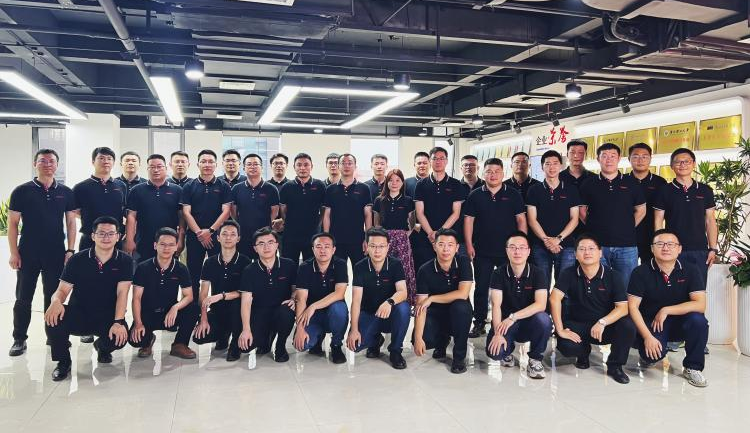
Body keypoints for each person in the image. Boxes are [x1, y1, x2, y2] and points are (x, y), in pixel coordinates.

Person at [44, 216, 133, 381]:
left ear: (118, 237)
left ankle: (102, 348)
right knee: (52, 318)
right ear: (93, 236)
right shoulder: (77, 259)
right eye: (101, 233)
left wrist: (118, 322)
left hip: (107, 316)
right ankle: (63, 362)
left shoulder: (125, 261)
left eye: (111, 233)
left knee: (120, 337)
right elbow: (62, 290)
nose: (106, 237)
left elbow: (123, 293)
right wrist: (55, 301)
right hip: (80, 314)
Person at [8, 148, 76, 357]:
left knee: (53, 296)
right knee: (23, 297)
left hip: (55, 252)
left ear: (57, 165)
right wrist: (14, 253)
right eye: (42, 161)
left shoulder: (65, 192)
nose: (47, 164)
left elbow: (71, 222)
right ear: (35, 164)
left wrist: (70, 250)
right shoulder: (22, 191)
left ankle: (53, 335)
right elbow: (12, 224)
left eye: (51, 161)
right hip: (28, 251)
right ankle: (19, 338)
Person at [550, 234, 636, 384]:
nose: (587, 252)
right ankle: (583, 353)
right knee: (567, 347)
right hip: (578, 323)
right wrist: (560, 329)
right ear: (576, 255)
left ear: (600, 253)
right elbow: (554, 299)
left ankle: (615, 366)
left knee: (627, 325)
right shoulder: (568, 273)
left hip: (605, 326)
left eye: (591, 248)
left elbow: (623, 308)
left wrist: (603, 322)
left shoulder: (613, 276)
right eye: (582, 249)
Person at [628, 229, 709, 387]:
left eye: (671, 244)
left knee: (699, 321)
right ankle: (648, 354)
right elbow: (632, 307)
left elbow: (700, 304)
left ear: (679, 249)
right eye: (660, 244)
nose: (665, 248)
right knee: (652, 356)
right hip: (653, 324)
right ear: (652, 248)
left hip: (681, 322)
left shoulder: (691, 270)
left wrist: (666, 310)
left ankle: (693, 367)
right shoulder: (640, 272)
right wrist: (648, 337)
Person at [464, 158, 526, 338]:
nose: (493, 175)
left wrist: (522, 245)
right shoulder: (475, 195)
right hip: (482, 250)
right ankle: (479, 322)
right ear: (483, 173)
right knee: (481, 288)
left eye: (497, 171)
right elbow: (469, 221)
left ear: (503, 173)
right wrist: (469, 244)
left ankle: (508, 321)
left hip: (508, 251)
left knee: (509, 287)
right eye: (489, 171)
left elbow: (521, 220)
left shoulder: (513, 194)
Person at [485, 232, 551, 379]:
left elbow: (541, 304)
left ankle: (535, 359)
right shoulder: (498, 273)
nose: (517, 251)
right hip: (505, 324)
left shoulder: (538, 273)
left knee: (544, 319)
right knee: (496, 353)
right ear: (506, 250)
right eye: (513, 247)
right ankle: (507, 352)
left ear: (528, 251)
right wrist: (497, 334)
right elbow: (496, 305)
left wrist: (513, 317)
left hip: (530, 322)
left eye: (522, 248)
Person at [579, 143, 646, 287]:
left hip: (626, 246)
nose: (608, 160)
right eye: (604, 156)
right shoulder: (588, 184)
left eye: (612, 156)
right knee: (599, 286)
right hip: (597, 246)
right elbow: (582, 211)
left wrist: (628, 226)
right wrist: (594, 226)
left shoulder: (632, 183)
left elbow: (641, 210)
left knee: (627, 286)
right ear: (598, 159)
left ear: (619, 158)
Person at [653, 148, 718, 288]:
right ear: (672, 166)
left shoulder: (705, 190)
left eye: (687, 161)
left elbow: (710, 220)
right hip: (672, 249)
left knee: (698, 289)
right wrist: (659, 246)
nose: (682, 164)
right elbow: (658, 220)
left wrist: (713, 248)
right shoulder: (664, 190)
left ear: (693, 164)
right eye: (678, 162)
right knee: (673, 290)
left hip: (699, 250)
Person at [129, 228, 197, 359]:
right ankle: (148, 341)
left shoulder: (181, 268)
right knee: (135, 340)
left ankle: (179, 344)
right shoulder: (143, 268)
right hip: (148, 313)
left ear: (176, 247)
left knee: (193, 308)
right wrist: (138, 323)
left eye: (171, 245)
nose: (166, 248)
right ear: (155, 245)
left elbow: (189, 296)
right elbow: (136, 298)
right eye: (163, 244)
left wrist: (175, 307)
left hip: (169, 313)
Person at [347, 228, 410, 369]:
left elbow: (403, 292)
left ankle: (395, 350)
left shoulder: (395, 264)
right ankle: (375, 341)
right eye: (373, 246)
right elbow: (356, 301)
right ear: (366, 246)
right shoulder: (360, 266)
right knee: (355, 346)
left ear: (388, 247)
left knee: (404, 308)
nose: (377, 251)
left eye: (381, 246)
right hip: (369, 313)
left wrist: (389, 302)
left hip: (390, 314)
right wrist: (354, 329)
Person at [412, 228, 473, 374]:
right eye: (441, 244)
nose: (446, 249)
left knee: (461, 307)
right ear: (434, 246)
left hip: (458, 312)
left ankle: (459, 358)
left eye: (450, 245)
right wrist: (418, 338)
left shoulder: (463, 262)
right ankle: (441, 342)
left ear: (457, 248)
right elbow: (421, 305)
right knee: (423, 338)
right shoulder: (425, 270)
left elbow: (463, 293)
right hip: (436, 313)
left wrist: (432, 298)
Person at [193, 221, 252, 361]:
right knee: (199, 337)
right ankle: (223, 335)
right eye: (224, 234)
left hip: (237, 310)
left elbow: (245, 293)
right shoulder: (210, 262)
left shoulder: (246, 262)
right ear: (218, 238)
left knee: (236, 305)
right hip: (217, 310)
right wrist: (203, 318)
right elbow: (203, 294)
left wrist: (221, 296)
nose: (228, 237)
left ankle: (235, 344)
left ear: (238, 238)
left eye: (233, 234)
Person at [236, 227, 297, 362]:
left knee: (286, 312)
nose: (266, 247)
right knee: (246, 347)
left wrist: (293, 299)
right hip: (259, 312)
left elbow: (295, 289)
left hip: (281, 310)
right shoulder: (249, 270)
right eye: (261, 243)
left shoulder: (289, 265)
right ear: (255, 248)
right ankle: (267, 338)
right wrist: (246, 329)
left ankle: (280, 345)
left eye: (270, 242)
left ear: (277, 245)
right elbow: (246, 302)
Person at [180, 149, 232, 299]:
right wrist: (199, 233)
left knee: (218, 272)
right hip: (194, 236)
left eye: (210, 162)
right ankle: (193, 306)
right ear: (198, 164)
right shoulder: (189, 186)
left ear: (216, 165)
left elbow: (226, 211)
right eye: (203, 161)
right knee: (193, 273)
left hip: (217, 237)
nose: (207, 165)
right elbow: (186, 212)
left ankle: (217, 305)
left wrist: (210, 231)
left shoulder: (224, 186)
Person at [526, 150, 580, 287]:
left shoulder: (571, 189)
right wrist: (547, 241)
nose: (552, 167)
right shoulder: (534, 190)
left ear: (561, 166)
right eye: (548, 164)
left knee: (564, 286)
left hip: (566, 245)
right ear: (542, 167)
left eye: (555, 163)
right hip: (540, 246)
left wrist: (558, 239)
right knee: (541, 285)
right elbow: (532, 219)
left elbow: (575, 219)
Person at [293, 233, 349, 364]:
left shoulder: (340, 264)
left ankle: (336, 345)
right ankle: (318, 338)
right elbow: (301, 299)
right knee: (302, 345)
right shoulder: (305, 267)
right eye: (318, 246)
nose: (322, 250)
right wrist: (300, 329)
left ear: (333, 249)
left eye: (327, 246)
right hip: (313, 316)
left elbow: (339, 294)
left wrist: (313, 306)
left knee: (339, 309)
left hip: (333, 312)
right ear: (313, 249)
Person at [124, 154, 184, 261]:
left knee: (169, 269)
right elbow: (131, 216)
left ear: (166, 168)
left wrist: (180, 240)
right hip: (143, 241)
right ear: (147, 169)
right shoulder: (137, 190)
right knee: (142, 269)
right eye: (152, 167)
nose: (156, 170)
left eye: (159, 166)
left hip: (169, 242)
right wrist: (129, 239)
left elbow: (182, 218)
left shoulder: (177, 190)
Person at [413, 147, 465, 269]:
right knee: (425, 270)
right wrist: (431, 234)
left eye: (442, 158)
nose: (438, 161)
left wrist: (439, 234)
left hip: (448, 237)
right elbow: (419, 213)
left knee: (449, 270)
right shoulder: (421, 184)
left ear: (446, 161)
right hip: (426, 236)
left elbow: (456, 213)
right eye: (435, 158)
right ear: (430, 161)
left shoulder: (456, 184)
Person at [373, 169, 417, 305]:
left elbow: (412, 223)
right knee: (384, 268)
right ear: (386, 182)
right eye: (391, 180)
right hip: (383, 239)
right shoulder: (379, 200)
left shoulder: (408, 200)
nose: (394, 183)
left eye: (398, 180)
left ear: (402, 183)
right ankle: (384, 300)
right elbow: (376, 223)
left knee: (403, 269)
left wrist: (404, 235)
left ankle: (404, 301)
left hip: (402, 240)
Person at [322, 153, 373, 268]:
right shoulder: (330, 189)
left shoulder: (364, 188)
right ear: (338, 166)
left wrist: (368, 238)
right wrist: (327, 238)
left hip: (358, 240)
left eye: (350, 163)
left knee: (360, 271)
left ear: (355, 166)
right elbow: (326, 215)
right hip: (336, 240)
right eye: (343, 163)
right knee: (337, 273)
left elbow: (368, 215)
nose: (346, 166)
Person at [73, 146, 127, 251]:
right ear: (93, 162)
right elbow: (74, 211)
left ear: (113, 163)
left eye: (109, 159)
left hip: (115, 239)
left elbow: (124, 210)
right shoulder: (81, 187)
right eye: (101, 158)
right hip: (90, 238)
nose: (105, 161)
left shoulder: (121, 186)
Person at [278, 153, 326, 263]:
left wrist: (318, 224)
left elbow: (323, 209)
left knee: (311, 266)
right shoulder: (287, 187)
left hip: (313, 235)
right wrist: (288, 222)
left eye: (306, 165)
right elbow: (283, 210)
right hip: (291, 235)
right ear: (294, 167)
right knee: (289, 265)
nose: (302, 168)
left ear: (311, 166)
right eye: (299, 165)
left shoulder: (320, 186)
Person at [230, 153, 279, 257]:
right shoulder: (236, 188)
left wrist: (267, 226)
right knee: (243, 262)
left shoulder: (271, 189)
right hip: (243, 234)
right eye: (249, 164)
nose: (252, 167)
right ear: (244, 168)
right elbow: (233, 211)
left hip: (264, 235)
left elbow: (274, 211)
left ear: (262, 167)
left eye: (256, 164)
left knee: (265, 262)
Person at [627, 143, 667, 264]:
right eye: (635, 156)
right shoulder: (622, 181)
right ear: (629, 159)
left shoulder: (660, 182)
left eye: (644, 157)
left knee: (651, 269)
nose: (640, 160)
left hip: (651, 234)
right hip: (627, 236)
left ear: (650, 159)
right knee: (626, 272)